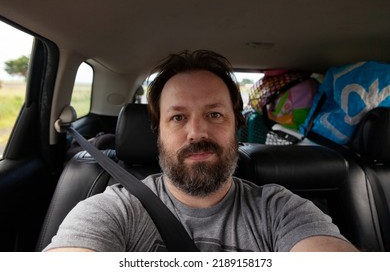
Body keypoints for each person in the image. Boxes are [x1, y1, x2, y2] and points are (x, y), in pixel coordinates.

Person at [45, 50, 358, 252]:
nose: (197, 132)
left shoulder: (282, 210)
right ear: (158, 134)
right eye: (178, 117)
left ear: (237, 126)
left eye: (214, 114)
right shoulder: (112, 210)